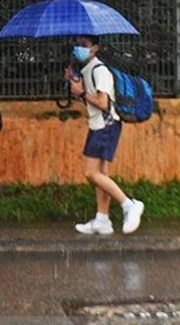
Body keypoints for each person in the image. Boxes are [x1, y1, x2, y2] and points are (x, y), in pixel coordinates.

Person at [65, 35, 144, 235]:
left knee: (91, 173)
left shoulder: (100, 71)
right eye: (77, 44)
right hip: (98, 125)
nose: (79, 48)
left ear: (95, 48)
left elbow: (102, 103)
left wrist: (82, 93)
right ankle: (102, 219)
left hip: (106, 127)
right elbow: (92, 102)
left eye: (84, 45)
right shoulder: (87, 70)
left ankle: (129, 205)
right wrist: (75, 85)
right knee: (102, 174)